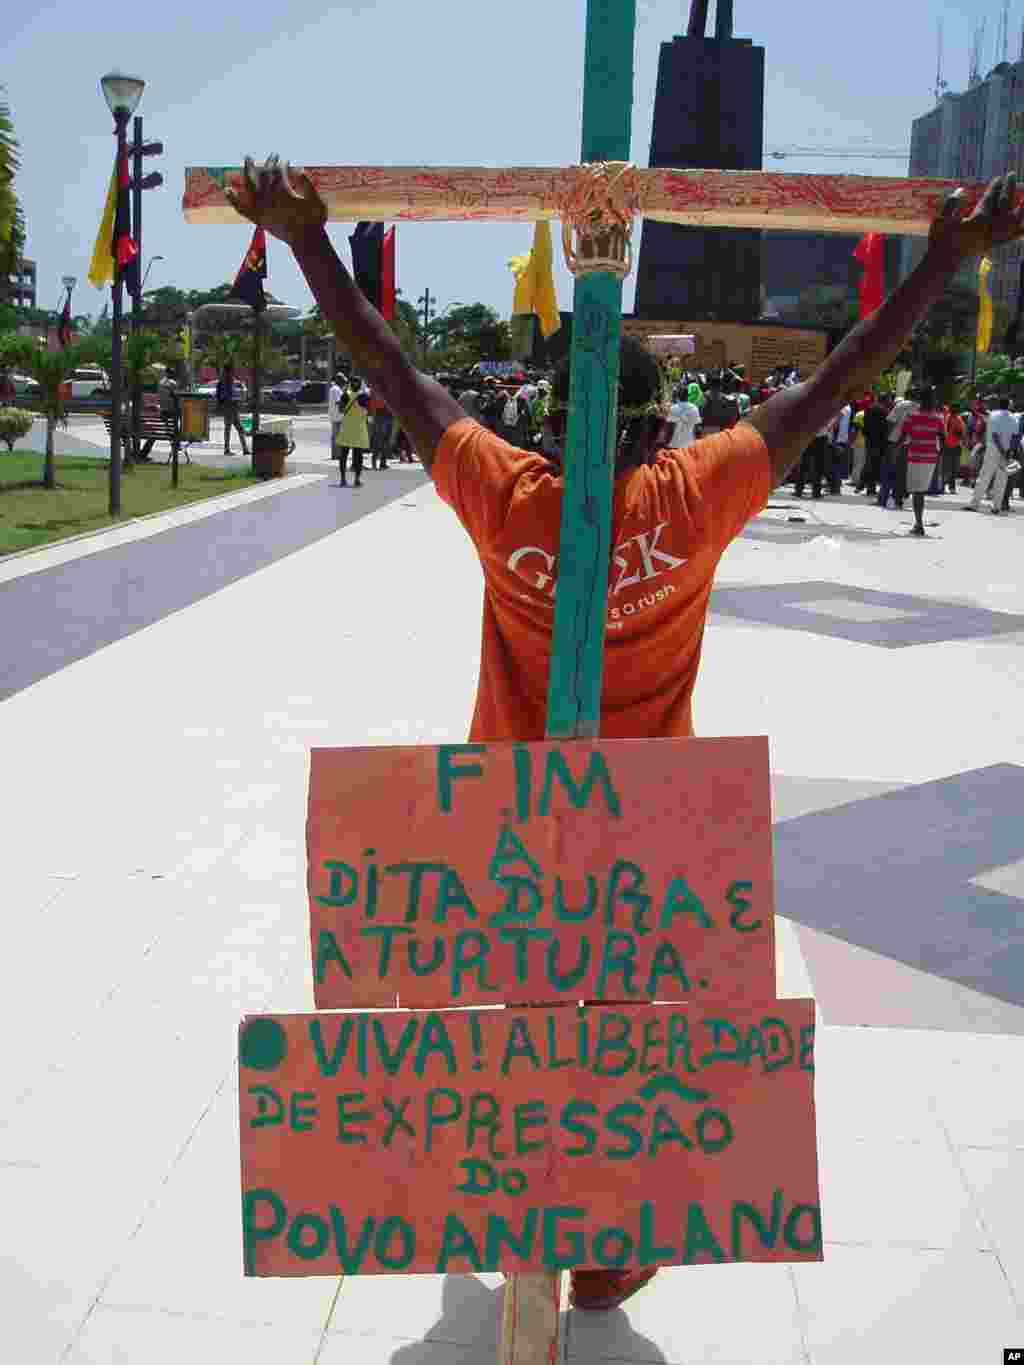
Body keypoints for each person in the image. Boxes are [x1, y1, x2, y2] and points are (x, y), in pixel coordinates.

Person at [227, 154, 1024, 1312]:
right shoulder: (694, 498)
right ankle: (598, 1247)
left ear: (547, 426)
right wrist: (947, 258)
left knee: (520, 1030)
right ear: (658, 435)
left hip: (501, 826)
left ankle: (519, 1215)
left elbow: (392, 372)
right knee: (617, 1045)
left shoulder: (508, 498)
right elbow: (839, 378)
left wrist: (305, 241)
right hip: (646, 839)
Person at [900, 387, 945, 535]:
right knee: (921, 491)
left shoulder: (911, 416)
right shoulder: (938, 418)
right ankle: (918, 524)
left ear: (919, 400)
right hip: (930, 458)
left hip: (915, 456)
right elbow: (942, 439)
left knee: (917, 492)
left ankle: (919, 524)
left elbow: (903, 436)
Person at [965, 393, 1016, 514]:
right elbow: (1015, 436)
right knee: (1002, 479)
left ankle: (974, 504)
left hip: (993, 449)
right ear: (1008, 406)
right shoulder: (1013, 417)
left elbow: (994, 435)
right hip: (1007, 450)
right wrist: (1009, 451)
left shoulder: (993, 415)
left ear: (998, 404)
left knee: (985, 476)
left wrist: (1001, 449)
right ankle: (996, 507)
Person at [334, 375, 371, 487]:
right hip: (359, 429)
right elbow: (369, 410)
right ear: (360, 384)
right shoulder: (364, 396)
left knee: (343, 455)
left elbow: (340, 410)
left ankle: (343, 479)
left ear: (350, 383)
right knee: (358, 456)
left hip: (347, 428)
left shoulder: (345, 395)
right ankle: (357, 479)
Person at [216, 363, 249, 456]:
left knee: (238, 428)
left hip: (232, 408)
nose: (232, 373)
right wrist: (237, 399)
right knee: (230, 428)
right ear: (228, 372)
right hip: (229, 407)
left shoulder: (228, 381)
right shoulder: (226, 381)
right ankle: (228, 450)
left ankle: (244, 449)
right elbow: (226, 396)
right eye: (231, 371)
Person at [668, 383, 702, 448]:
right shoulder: (694, 408)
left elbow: (670, 428)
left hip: (675, 443)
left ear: (678, 396)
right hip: (689, 443)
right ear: (687, 396)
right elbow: (697, 428)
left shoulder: (673, 408)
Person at [943, 403, 965, 493]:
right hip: (949, 445)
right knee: (948, 467)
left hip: (955, 445)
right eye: (954, 408)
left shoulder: (958, 418)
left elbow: (961, 432)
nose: (955, 410)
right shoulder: (949, 417)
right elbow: (959, 432)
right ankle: (944, 485)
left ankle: (951, 487)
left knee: (953, 468)